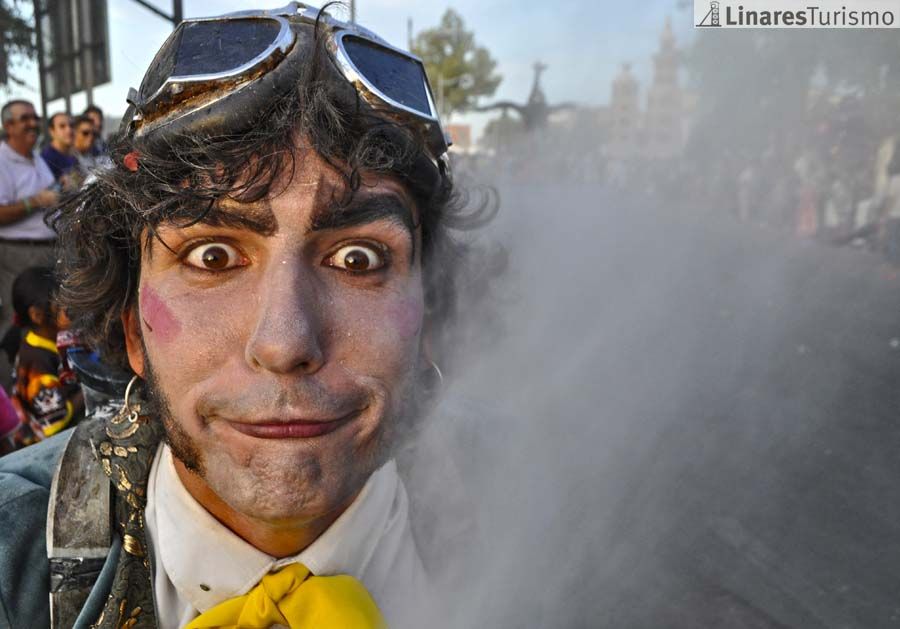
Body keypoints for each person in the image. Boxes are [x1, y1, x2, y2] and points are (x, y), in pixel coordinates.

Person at [0, 4, 488, 628]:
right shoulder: (16, 555)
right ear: (131, 325)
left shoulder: (567, 513)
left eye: (359, 259)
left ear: (430, 312)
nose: (285, 344)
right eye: (214, 255)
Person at [0, 99, 60, 391]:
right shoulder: (1, 160)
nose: (33, 123)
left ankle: (47, 386)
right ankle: (21, 396)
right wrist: (34, 201)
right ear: (8, 126)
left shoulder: (35, 157)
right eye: (25, 118)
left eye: (35, 117)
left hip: (48, 250)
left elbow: (52, 196)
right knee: (23, 323)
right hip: (18, 255)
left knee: (50, 319)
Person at [9, 266, 82, 443]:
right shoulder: (37, 364)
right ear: (37, 315)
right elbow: (55, 421)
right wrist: (89, 388)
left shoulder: (48, 338)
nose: (68, 308)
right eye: (60, 305)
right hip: (48, 443)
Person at [39, 112, 78, 183]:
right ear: (52, 131)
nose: (69, 130)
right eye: (62, 126)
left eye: (71, 126)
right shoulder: (46, 159)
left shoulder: (73, 155)